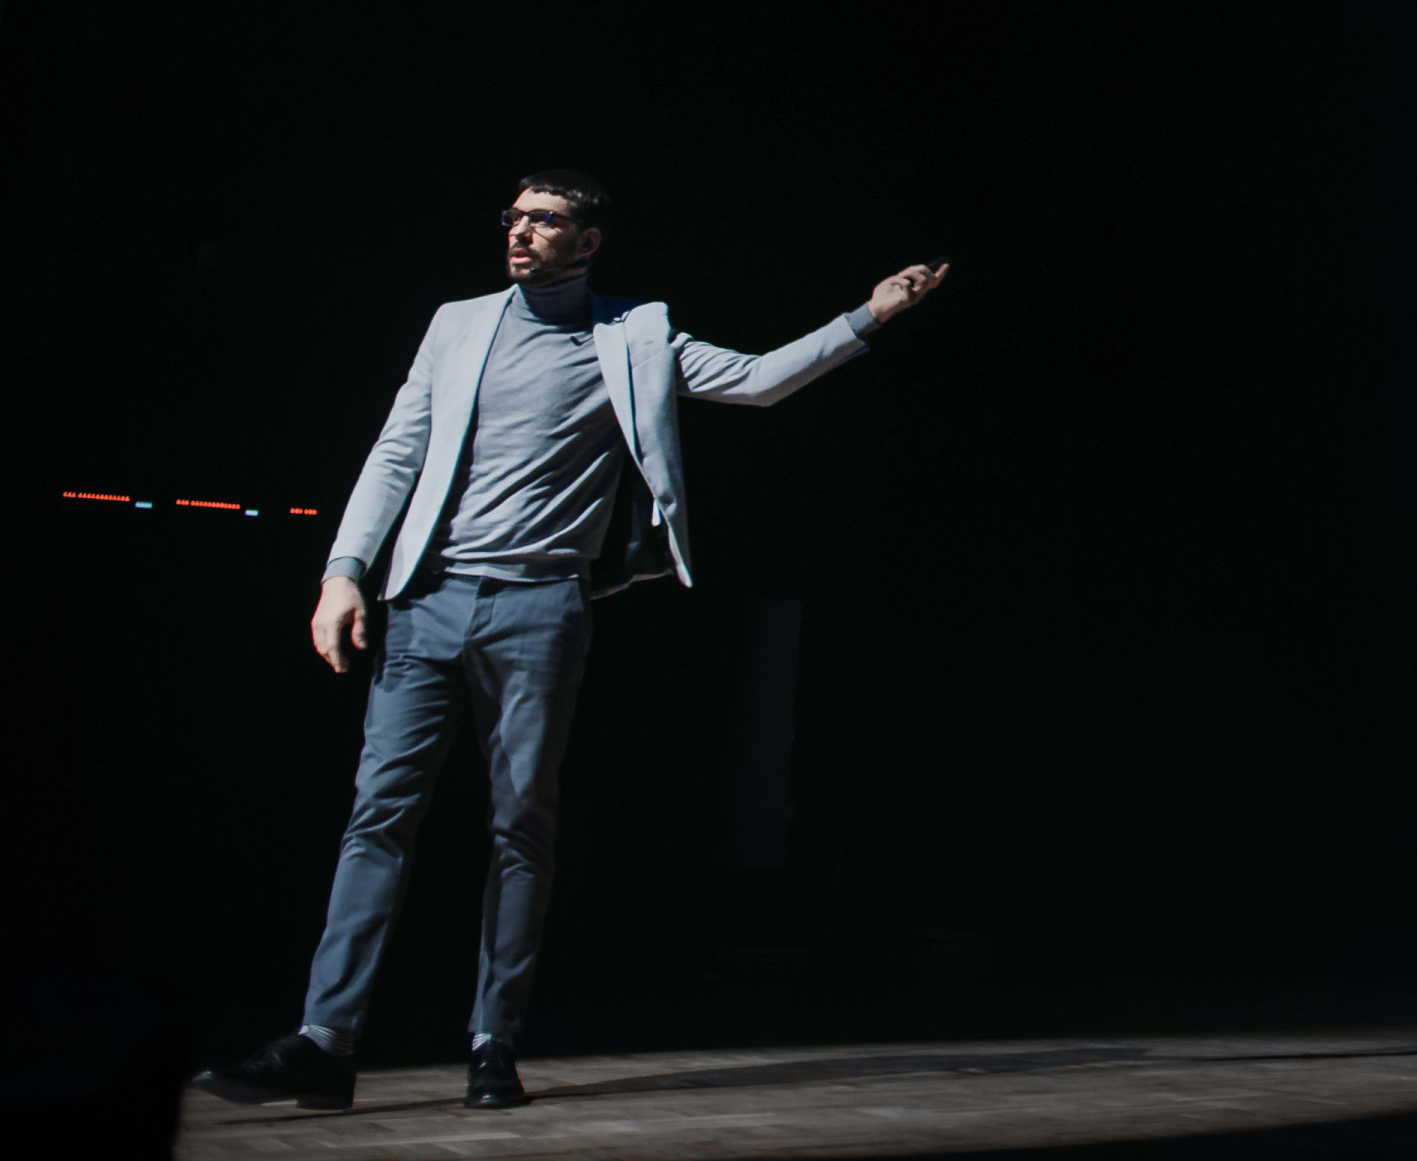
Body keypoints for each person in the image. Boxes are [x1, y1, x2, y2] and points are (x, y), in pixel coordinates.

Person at [193, 170, 947, 1112]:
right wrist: (345, 571)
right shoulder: (457, 323)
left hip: (539, 607)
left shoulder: (629, 334)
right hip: (425, 598)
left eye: (544, 221)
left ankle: (491, 1043)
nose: (520, 233)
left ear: (588, 241)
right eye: (514, 218)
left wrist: (867, 317)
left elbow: (756, 383)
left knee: (522, 825)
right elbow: (399, 446)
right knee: (375, 818)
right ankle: (325, 1040)